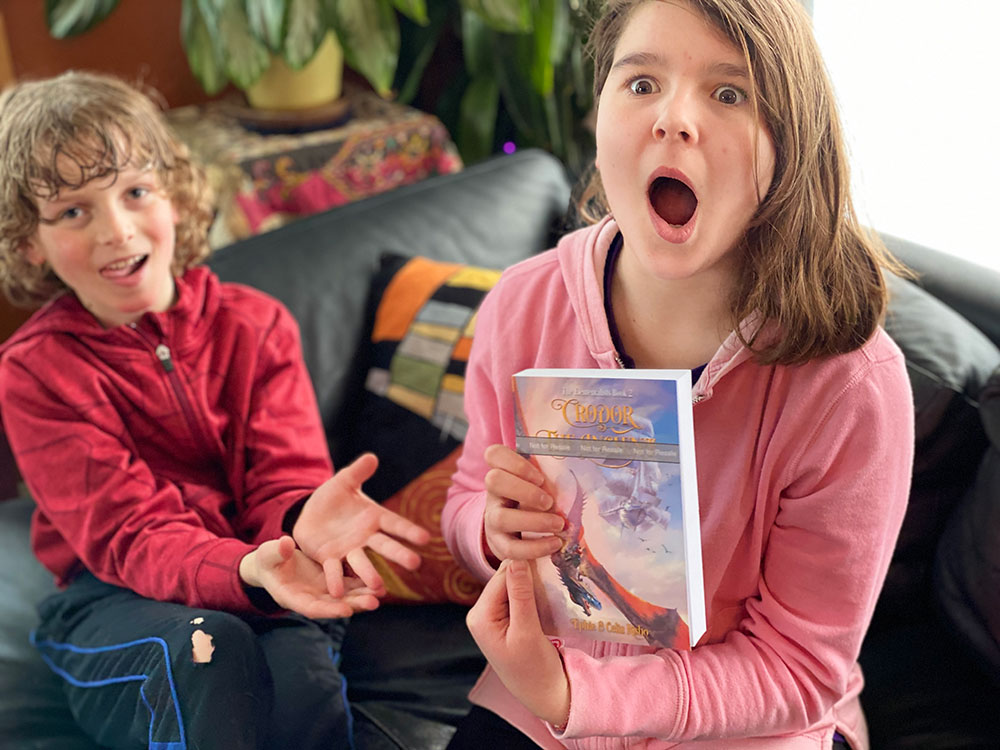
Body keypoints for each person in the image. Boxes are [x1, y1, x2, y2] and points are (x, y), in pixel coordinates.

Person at [441, 1, 914, 749]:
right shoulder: (520, 306)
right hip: (536, 707)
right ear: (597, 121)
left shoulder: (852, 388)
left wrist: (584, 695)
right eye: (640, 84)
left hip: (741, 732)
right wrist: (491, 530)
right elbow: (469, 495)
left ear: (789, 145)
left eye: (730, 93)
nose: (674, 119)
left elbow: (798, 668)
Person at [0, 70, 431, 750]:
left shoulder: (257, 326)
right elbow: (129, 535)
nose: (117, 229)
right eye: (74, 212)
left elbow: (283, 482)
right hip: (113, 599)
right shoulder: (35, 371)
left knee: (302, 688)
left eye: (136, 193)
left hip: (269, 566)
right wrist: (239, 572)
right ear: (31, 242)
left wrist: (296, 523)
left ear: (172, 196)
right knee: (210, 652)